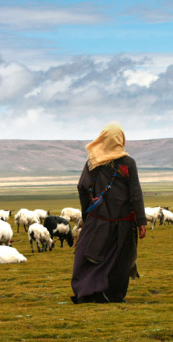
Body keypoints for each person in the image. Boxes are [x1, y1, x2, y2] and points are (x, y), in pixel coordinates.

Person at [71, 121, 147, 304]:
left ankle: (88, 291)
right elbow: (135, 193)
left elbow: (82, 186)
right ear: (120, 139)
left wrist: (87, 212)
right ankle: (112, 294)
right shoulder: (128, 163)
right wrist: (141, 221)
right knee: (119, 259)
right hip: (123, 222)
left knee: (90, 256)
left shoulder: (93, 162)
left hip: (97, 221)